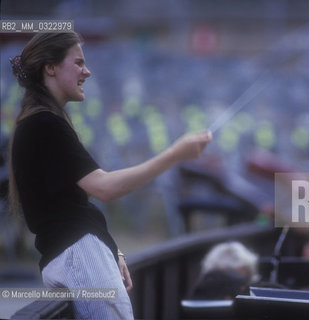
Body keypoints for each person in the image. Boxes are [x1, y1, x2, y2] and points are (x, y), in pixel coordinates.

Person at [8, 32, 212, 319]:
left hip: (73, 257)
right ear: (50, 67)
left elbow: (71, 206)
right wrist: (176, 154)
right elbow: (103, 187)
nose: (87, 71)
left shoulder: (38, 122)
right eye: (78, 63)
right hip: (79, 257)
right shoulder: (44, 123)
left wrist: (109, 249)